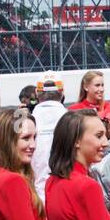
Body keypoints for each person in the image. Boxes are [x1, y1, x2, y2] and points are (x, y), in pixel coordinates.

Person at [28, 72, 68, 202]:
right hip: (65, 195)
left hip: (34, 196)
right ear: (62, 92)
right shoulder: (74, 120)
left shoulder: (23, 121)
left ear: (36, 92)